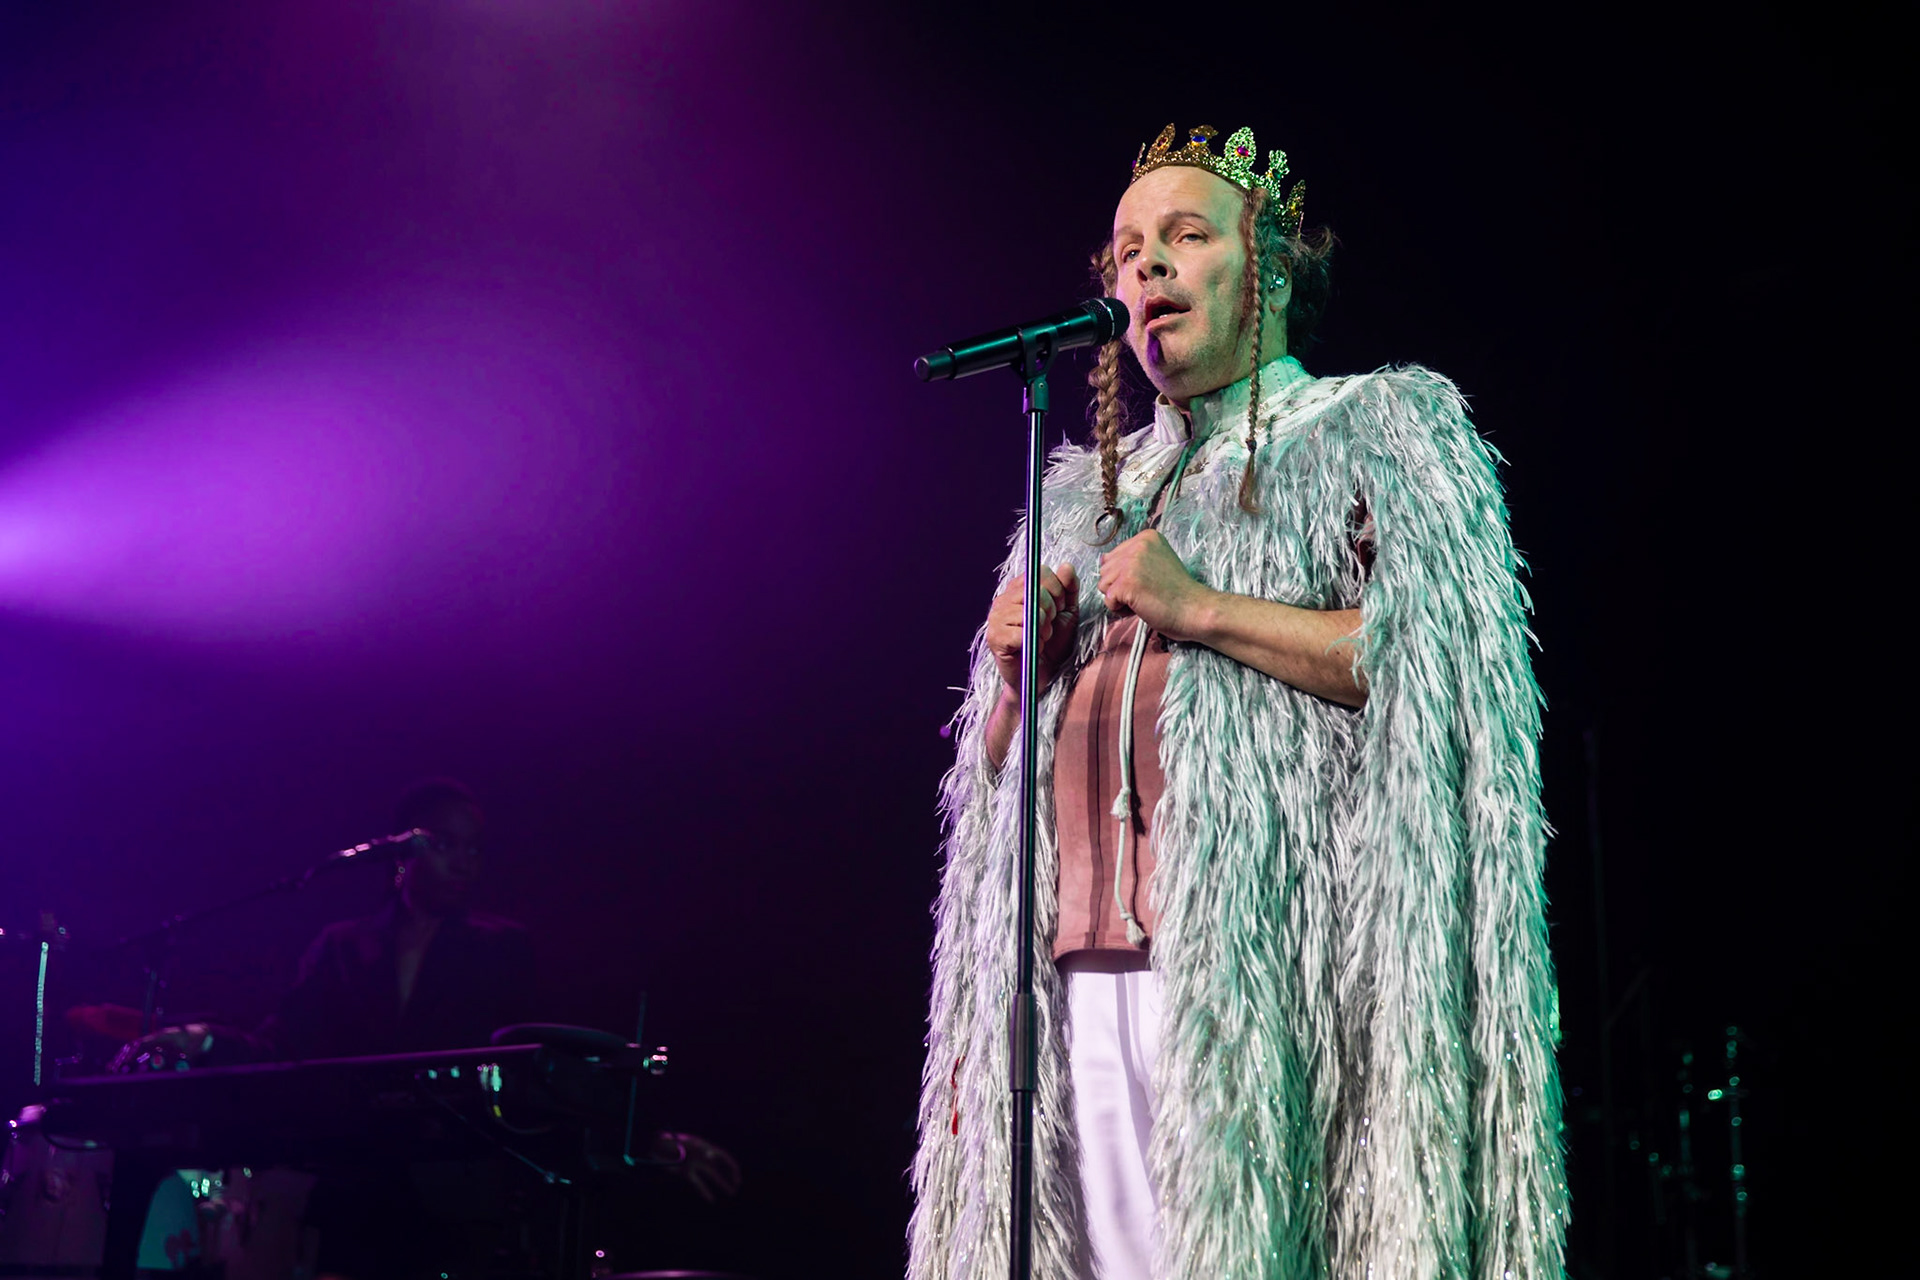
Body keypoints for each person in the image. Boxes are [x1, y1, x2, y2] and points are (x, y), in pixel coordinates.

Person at [908, 125, 1567, 1280]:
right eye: (1127, 251)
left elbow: (1441, 670)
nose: (1147, 266)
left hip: (1262, 967)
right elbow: (991, 778)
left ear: (1270, 270)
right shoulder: (1081, 493)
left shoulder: (1374, 431)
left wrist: (1201, 607)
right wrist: (1015, 682)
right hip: (1076, 970)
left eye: (1186, 236)